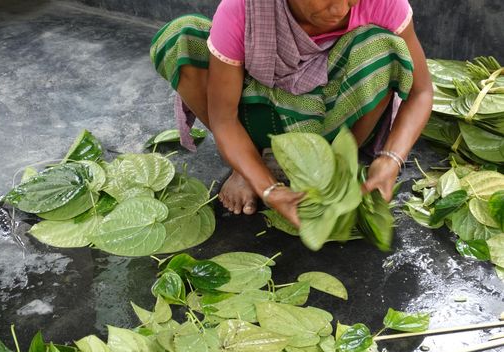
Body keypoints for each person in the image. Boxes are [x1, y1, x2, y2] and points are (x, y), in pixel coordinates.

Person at [150, 0, 433, 228]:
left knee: (384, 46)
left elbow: (421, 93)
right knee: (181, 37)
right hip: (259, 115)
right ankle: (246, 166)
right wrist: (270, 190)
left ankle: (332, 168)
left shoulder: (382, 4)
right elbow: (224, 120)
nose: (340, 10)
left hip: (332, 119)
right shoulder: (242, 9)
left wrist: (390, 160)